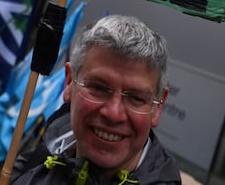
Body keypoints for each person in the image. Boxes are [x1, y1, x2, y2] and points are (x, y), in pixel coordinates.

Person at [10, 14, 182, 185]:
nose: (113, 114)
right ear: (69, 82)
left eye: (136, 98)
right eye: (98, 88)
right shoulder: (27, 170)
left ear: (158, 107)